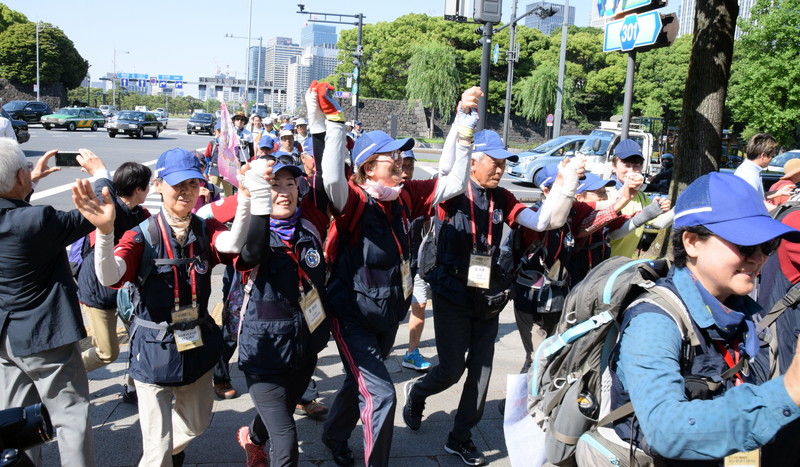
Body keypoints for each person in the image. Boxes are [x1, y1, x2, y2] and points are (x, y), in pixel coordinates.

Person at [316, 82, 479, 467]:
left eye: (401, 154)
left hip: (388, 315)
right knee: (381, 395)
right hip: (351, 316)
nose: (401, 161)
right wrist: (335, 122)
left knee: (359, 383)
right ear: (368, 166)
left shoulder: (404, 196)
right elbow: (331, 179)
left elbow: (454, 181)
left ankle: (334, 435)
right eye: (391, 156)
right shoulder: (353, 199)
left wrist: (464, 126)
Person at [402, 130, 583, 466]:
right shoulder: (452, 192)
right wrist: (463, 129)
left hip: (486, 294)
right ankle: (418, 392)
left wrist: (565, 183)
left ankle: (461, 437)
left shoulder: (504, 197)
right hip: (451, 292)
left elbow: (543, 221)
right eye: (494, 162)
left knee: (482, 370)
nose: (500, 169)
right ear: (473, 162)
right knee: (452, 369)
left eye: (504, 163)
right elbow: (449, 167)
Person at [609, 172, 800, 465]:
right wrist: (788, 392)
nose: (759, 258)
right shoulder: (654, 320)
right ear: (692, 242)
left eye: (767, 246)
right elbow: (666, 430)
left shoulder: (742, 312)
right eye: (746, 246)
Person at [79, 148, 252, 467]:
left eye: (192, 183)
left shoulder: (204, 229)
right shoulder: (141, 235)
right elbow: (110, 275)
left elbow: (231, 245)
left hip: (196, 347)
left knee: (196, 425)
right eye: (177, 184)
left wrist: (246, 200)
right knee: (157, 448)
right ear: (158, 185)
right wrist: (105, 233)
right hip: (153, 351)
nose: (186, 191)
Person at [0, 143, 104, 467]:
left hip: (5, 339)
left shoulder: (25, 219)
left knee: (18, 421)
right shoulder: (38, 220)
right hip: (45, 336)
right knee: (70, 417)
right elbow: (95, 212)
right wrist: (100, 174)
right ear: (19, 177)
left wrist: (28, 180)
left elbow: (11, 210)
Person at [234, 158, 332, 467]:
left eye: (290, 184)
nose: (285, 192)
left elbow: (328, 180)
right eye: (275, 185)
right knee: (286, 439)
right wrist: (258, 197)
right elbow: (252, 252)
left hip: (304, 351)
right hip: (264, 354)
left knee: (281, 415)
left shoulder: (309, 226)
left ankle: (253, 439)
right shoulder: (252, 231)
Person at [77, 161, 152, 403]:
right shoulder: (110, 209)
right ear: (139, 189)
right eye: (148, 185)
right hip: (98, 294)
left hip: (125, 293)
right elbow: (103, 190)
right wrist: (100, 172)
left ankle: (132, 388)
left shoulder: (140, 214)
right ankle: (64, 373)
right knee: (107, 352)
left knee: (140, 341)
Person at [602, 139, 673, 258]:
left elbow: (660, 223)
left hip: (622, 264)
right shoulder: (604, 193)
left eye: (636, 166)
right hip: (599, 264)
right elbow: (612, 234)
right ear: (613, 166)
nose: (631, 171)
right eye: (626, 165)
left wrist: (681, 206)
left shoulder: (641, 196)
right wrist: (645, 214)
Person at [401, 149, 434, 371]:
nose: (406, 171)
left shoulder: (418, 194)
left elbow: (428, 227)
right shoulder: (386, 196)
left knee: (420, 305)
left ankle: (412, 352)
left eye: (410, 166)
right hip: (394, 265)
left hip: (417, 263)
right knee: (389, 311)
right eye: (402, 165)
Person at [734, 133, 791, 208]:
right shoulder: (749, 173)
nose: (772, 159)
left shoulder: (751, 169)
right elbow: (754, 202)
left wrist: (779, 192)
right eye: (772, 156)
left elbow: (758, 197)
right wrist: (782, 211)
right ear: (763, 155)